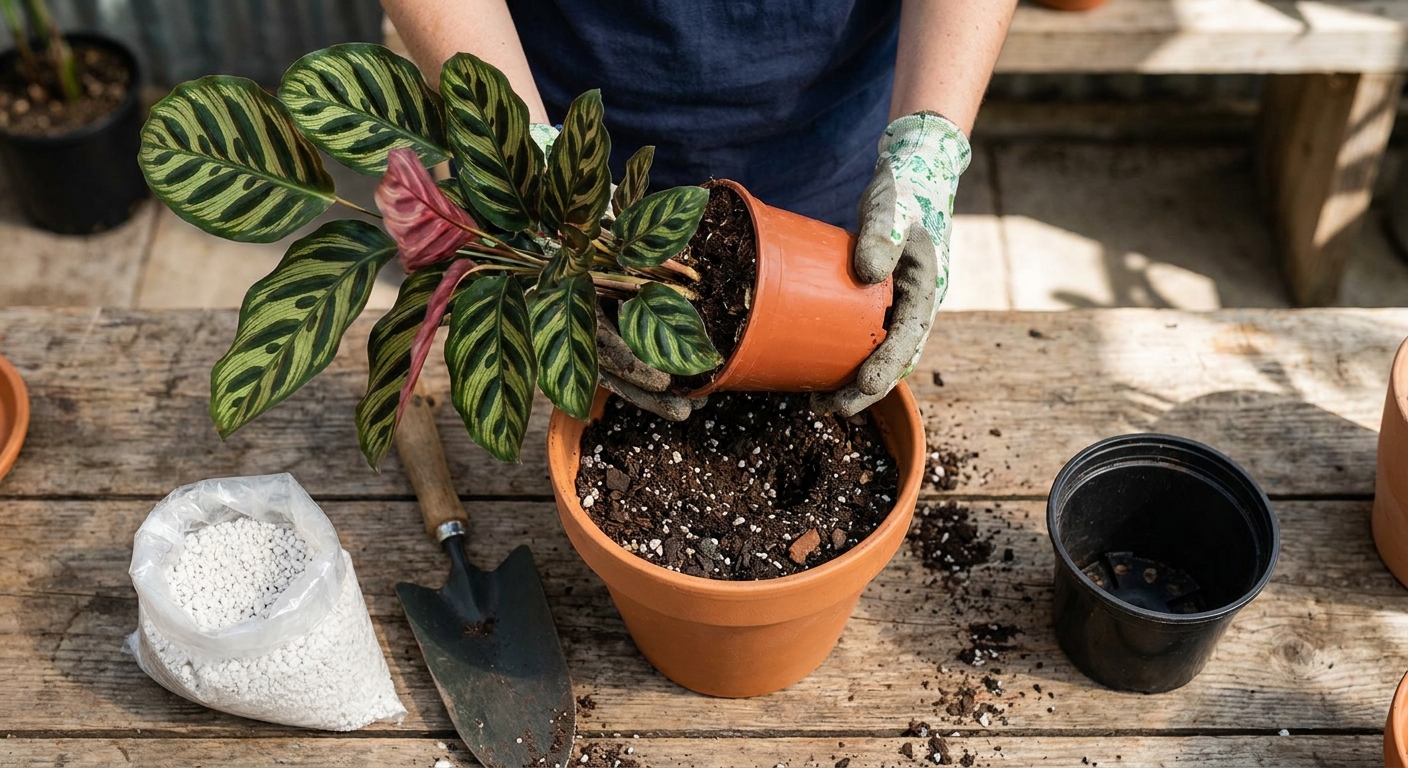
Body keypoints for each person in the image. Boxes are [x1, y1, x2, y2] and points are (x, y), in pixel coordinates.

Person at [383, 0, 1016, 418]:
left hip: (834, 130)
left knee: (847, 331)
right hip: (560, 113)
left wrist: (924, 153)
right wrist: (524, 161)